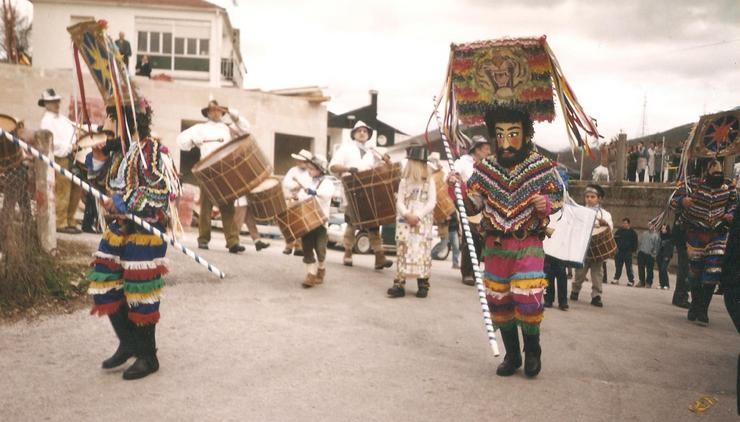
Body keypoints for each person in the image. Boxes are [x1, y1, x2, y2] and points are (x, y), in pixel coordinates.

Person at [452, 107, 563, 378]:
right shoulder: (485, 168)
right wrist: (459, 191)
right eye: (499, 134)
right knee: (499, 301)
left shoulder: (542, 166)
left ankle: (532, 350)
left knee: (528, 298)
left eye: (513, 134)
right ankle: (512, 355)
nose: (505, 141)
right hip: (495, 245)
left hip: (528, 242)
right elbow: (474, 204)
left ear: (525, 134)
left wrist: (545, 203)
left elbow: (559, 200)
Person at [87, 101, 177, 380]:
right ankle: (128, 342)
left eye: (113, 125)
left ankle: (147, 355)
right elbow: (95, 177)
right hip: (119, 227)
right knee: (103, 284)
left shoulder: (153, 151)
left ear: (129, 124)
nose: (107, 131)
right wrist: (99, 157)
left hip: (146, 229)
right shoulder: (118, 153)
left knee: (140, 291)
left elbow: (165, 192)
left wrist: (125, 201)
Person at [177, 100, 251, 253]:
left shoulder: (229, 128)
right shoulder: (200, 128)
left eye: (218, 110)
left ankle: (232, 242)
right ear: (208, 113)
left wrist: (235, 116)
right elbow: (181, 141)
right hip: (207, 169)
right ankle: (203, 239)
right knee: (206, 206)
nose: (215, 113)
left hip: (226, 169)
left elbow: (246, 131)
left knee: (228, 207)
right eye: (212, 110)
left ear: (222, 113)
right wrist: (192, 141)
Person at [671, 158, 737, 326]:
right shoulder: (690, 184)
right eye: (713, 170)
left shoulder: (728, 186)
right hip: (694, 233)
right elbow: (671, 202)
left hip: (718, 233)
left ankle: (703, 309)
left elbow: (734, 205)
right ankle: (695, 304)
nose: (717, 173)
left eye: (719, 170)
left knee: (713, 270)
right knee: (695, 272)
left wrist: (730, 215)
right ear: (705, 170)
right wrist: (682, 202)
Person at [328, 120, 393, 269]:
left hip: (370, 192)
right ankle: (348, 253)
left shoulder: (372, 151)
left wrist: (384, 158)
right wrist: (350, 168)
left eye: (365, 131)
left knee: (374, 224)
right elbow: (333, 167)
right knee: (352, 222)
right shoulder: (345, 149)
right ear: (354, 134)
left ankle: (379, 257)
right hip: (352, 190)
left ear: (368, 134)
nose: (362, 133)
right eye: (359, 131)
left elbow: (388, 167)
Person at [387, 145, 436, 298]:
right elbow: (399, 202)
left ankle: (423, 284)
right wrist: (407, 214)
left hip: (422, 223)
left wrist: (419, 215)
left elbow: (431, 202)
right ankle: (399, 283)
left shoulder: (429, 181)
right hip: (405, 221)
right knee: (403, 251)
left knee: (422, 251)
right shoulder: (404, 182)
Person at [39, 88, 87, 234]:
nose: (56, 104)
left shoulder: (62, 119)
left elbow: (72, 130)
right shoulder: (46, 121)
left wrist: (75, 140)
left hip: (70, 156)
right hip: (58, 157)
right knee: (62, 189)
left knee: (76, 188)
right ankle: (60, 222)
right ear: (46, 104)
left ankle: (70, 220)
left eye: (56, 101)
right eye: (52, 102)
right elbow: (52, 141)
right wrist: (69, 146)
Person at [448, 136, 491, 286]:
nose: (488, 151)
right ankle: (467, 273)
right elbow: (454, 174)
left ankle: (476, 270)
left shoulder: (489, 164)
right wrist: (454, 177)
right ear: (477, 150)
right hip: (469, 203)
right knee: (470, 235)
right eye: (486, 149)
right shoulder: (463, 162)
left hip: (486, 204)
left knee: (482, 237)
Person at [571, 184, 613, 307]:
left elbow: (609, 229)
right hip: (583, 248)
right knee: (579, 272)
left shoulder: (605, 214)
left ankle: (596, 295)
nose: (589, 199)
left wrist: (604, 224)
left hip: (598, 248)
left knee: (597, 273)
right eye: (587, 196)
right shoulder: (580, 211)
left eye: (593, 197)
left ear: (599, 199)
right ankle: (575, 289)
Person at [296, 155, 334, 287]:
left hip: (321, 221)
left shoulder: (327, 183)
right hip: (307, 219)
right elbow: (301, 196)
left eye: (312, 169)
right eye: (309, 168)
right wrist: (301, 196)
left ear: (320, 169)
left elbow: (326, 194)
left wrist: (314, 192)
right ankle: (310, 274)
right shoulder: (308, 181)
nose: (309, 171)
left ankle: (321, 268)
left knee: (320, 248)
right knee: (307, 246)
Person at [282, 149, 312, 255]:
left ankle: (299, 247)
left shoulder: (311, 172)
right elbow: (286, 183)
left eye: (303, 161)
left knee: (302, 224)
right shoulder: (293, 170)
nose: (300, 163)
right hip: (293, 199)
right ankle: (288, 246)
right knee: (290, 223)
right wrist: (297, 186)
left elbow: (310, 186)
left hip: (304, 200)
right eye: (299, 160)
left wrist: (300, 186)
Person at [612, 218, 637, 286]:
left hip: (628, 252)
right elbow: (615, 239)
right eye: (623, 223)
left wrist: (633, 251)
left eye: (625, 223)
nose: (623, 224)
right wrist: (615, 248)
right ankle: (616, 278)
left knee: (628, 267)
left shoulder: (632, 232)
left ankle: (631, 280)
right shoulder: (619, 231)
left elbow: (635, 243)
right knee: (618, 266)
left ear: (628, 224)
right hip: (619, 252)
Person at [657, 223, 674, 290]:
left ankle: (666, 284)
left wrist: (668, 256)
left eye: (664, 228)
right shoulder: (660, 236)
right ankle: (661, 284)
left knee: (663, 269)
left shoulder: (670, 238)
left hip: (666, 255)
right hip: (660, 255)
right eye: (662, 228)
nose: (662, 230)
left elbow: (671, 248)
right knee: (660, 269)